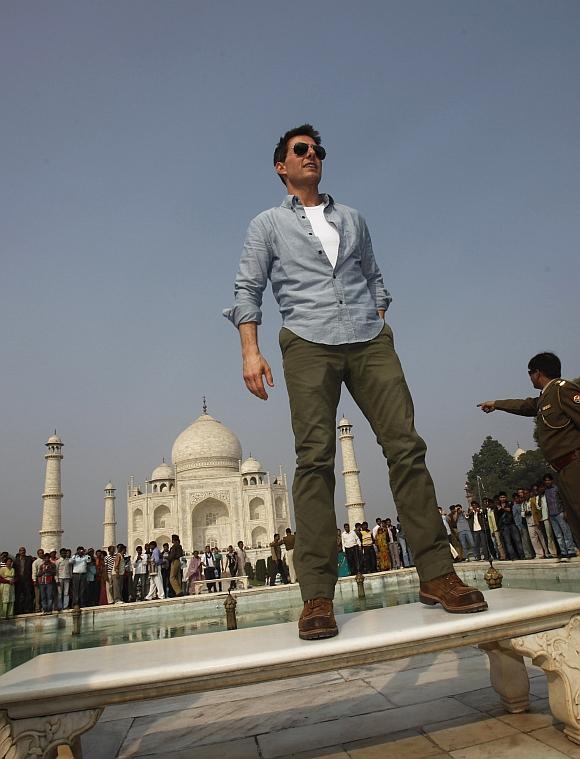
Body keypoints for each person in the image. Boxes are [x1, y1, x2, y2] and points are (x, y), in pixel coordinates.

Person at [224, 124, 487, 638]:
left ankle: (437, 575)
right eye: (302, 150)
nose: (312, 156)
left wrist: (377, 315)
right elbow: (247, 287)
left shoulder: (352, 218)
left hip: (368, 339)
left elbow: (375, 276)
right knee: (315, 461)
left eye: (318, 150)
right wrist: (250, 351)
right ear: (281, 164)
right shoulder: (268, 224)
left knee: (406, 448)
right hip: (306, 340)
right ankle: (318, 595)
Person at [478, 352, 580, 545]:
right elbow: (524, 405)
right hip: (562, 470)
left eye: (530, 372)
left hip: (574, 464)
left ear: (538, 373)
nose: (529, 377)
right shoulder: (544, 398)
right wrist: (497, 404)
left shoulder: (562, 390)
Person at [13, 547, 34, 614]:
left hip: (27, 579)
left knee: (28, 595)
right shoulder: (15, 560)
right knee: (18, 595)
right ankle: (18, 610)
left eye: (23, 550)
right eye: (21, 550)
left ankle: (28, 609)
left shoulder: (29, 559)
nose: (22, 552)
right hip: (19, 580)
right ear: (19, 552)